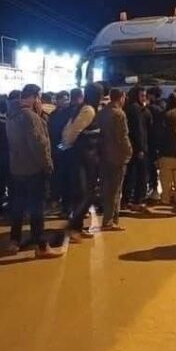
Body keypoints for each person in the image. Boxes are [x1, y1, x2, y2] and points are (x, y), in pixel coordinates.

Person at [5, 84, 62, 259]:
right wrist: (47, 165)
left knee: (18, 206)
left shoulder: (11, 114)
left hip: (17, 167)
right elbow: (39, 144)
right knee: (37, 209)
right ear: (34, 97)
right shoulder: (30, 116)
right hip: (33, 168)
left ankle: (14, 240)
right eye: (39, 97)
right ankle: (41, 246)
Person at [63, 82, 103, 242]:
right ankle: (73, 228)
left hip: (87, 157)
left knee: (85, 194)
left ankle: (77, 227)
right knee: (86, 194)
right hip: (83, 158)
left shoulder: (84, 108)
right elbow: (71, 132)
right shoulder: (88, 110)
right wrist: (67, 145)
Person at [97, 89, 133, 229]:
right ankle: (110, 220)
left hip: (103, 154)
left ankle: (110, 218)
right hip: (117, 155)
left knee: (106, 188)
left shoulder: (102, 112)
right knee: (115, 189)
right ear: (121, 97)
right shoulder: (119, 114)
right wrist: (129, 151)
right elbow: (122, 136)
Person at [123, 85, 149, 211]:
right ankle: (137, 200)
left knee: (130, 175)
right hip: (138, 147)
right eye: (142, 96)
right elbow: (139, 131)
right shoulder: (136, 109)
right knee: (140, 175)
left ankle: (127, 200)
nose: (144, 98)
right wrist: (141, 148)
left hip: (131, 146)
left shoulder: (129, 108)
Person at [157, 93, 176, 205]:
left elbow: (159, 134)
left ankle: (165, 198)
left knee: (165, 179)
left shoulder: (164, 115)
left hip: (166, 151)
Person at [48, 90, 71, 215]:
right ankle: (56, 199)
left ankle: (65, 206)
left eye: (67, 99)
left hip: (66, 150)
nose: (66, 102)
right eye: (63, 99)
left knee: (65, 179)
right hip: (57, 150)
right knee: (57, 178)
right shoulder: (53, 115)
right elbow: (51, 133)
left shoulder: (70, 113)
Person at [146, 86, 164, 201]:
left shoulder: (150, 108)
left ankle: (154, 189)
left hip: (151, 140)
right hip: (160, 140)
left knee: (151, 166)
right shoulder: (163, 106)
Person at [0, 94, 11, 215]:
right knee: (11, 180)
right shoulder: (11, 118)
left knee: (0, 181)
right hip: (10, 152)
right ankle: (10, 204)